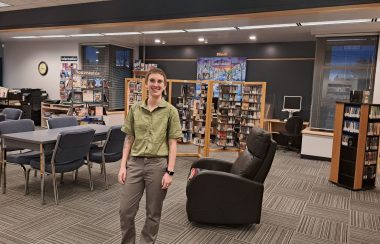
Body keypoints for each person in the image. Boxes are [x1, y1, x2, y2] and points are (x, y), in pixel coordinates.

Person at [119, 68, 182, 244]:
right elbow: (129, 138)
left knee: (153, 213)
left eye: (159, 81)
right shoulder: (135, 109)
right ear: (146, 84)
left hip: (158, 165)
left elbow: (172, 144)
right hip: (135, 164)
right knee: (125, 211)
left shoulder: (171, 111)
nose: (156, 85)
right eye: (152, 81)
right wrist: (123, 165)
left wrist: (170, 172)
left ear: (164, 85)